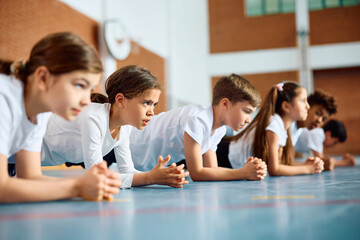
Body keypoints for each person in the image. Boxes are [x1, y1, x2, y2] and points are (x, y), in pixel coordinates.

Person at [0, 32, 121, 203]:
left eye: (90, 90)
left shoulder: (39, 112)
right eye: (80, 85)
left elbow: (29, 176)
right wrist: (76, 187)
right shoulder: (3, 97)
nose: (87, 101)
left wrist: (86, 184)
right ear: (43, 78)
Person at [41, 65, 189, 188]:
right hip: (21, 151)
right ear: (120, 100)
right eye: (146, 103)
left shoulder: (124, 128)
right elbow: (97, 176)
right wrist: (150, 178)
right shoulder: (93, 118)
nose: (152, 112)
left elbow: (127, 170)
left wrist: (159, 176)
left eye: (154, 104)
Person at [129, 74, 267, 181]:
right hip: (128, 142)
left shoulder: (219, 129)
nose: (249, 120)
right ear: (225, 104)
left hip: (142, 164)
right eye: (247, 111)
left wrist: (251, 170)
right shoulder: (197, 119)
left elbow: (211, 169)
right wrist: (243, 172)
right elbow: (197, 172)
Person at [221, 82, 324, 176]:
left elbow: (279, 163)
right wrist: (307, 169)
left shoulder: (282, 126)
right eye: (303, 101)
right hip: (224, 154)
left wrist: (306, 165)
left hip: (230, 159)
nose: (308, 106)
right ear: (286, 106)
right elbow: (274, 169)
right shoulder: (274, 124)